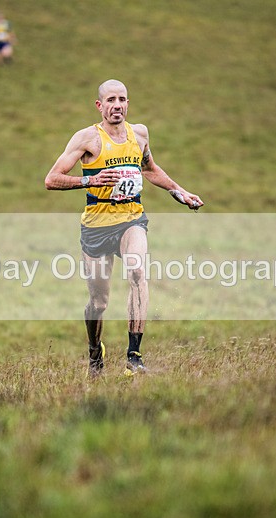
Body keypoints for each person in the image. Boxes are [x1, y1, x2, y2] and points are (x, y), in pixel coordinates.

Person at [44, 79, 203, 377]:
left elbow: (149, 169)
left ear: (128, 103)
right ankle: (95, 351)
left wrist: (179, 192)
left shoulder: (139, 134)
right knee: (98, 301)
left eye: (122, 100)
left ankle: (134, 355)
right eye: (111, 100)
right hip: (96, 226)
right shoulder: (86, 139)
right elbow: (51, 179)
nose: (117, 105)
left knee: (138, 272)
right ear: (100, 105)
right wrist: (89, 180)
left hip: (131, 218)